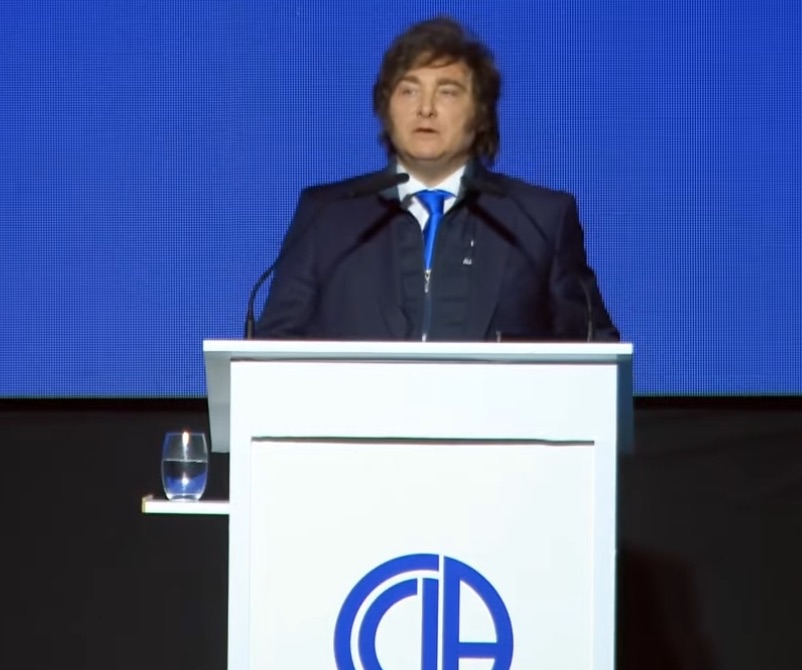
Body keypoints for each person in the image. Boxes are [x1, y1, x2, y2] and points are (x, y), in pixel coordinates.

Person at [255, 16, 619, 342]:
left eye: (446, 92)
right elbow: (271, 350)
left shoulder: (538, 220)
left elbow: (595, 349)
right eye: (409, 91)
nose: (425, 108)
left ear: (481, 113)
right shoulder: (328, 215)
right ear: (386, 108)